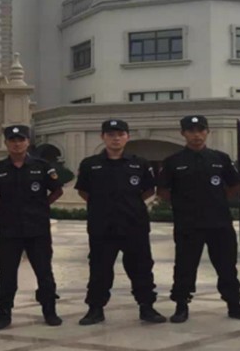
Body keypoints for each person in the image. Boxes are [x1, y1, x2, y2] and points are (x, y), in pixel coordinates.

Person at [157, 115, 240, 323]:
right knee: (184, 266)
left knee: (227, 266)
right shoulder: (173, 161)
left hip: (219, 223)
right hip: (188, 224)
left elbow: (235, 185)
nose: (197, 135)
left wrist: (216, 200)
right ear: (183, 133)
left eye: (201, 130)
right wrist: (183, 204)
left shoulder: (220, 158)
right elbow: (163, 191)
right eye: (191, 131)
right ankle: (181, 305)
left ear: (207, 132)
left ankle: (234, 304)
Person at [75, 119, 166, 326]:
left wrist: (128, 205)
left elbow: (148, 190)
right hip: (102, 226)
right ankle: (95, 309)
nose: (115, 138)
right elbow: (83, 192)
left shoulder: (139, 163)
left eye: (120, 134)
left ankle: (147, 307)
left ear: (127, 137)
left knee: (141, 267)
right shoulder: (90, 164)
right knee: (99, 268)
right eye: (110, 134)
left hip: (134, 225)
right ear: (103, 137)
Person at [0, 125, 64, 329]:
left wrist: (41, 206)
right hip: (9, 230)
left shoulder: (42, 166)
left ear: (28, 142)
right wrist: (5, 207)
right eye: (12, 140)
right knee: (6, 273)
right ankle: (4, 312)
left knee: (44, 271)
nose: (17, 144)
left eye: (21, 140)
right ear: (6, 143)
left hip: (37, 229)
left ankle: (49, 309)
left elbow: (57, 190)